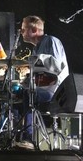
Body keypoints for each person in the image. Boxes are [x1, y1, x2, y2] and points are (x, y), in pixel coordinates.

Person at [16, 15, 69, 149]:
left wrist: (37, 59)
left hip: (56, 93)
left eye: (23, 29)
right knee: (15, 96)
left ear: (33, 30)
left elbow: (56, 68)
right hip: (42, 90)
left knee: (30, 95)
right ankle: (14, 136)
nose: (21, 32)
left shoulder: (51, 41)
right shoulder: (36, 48)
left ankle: (28, 139)